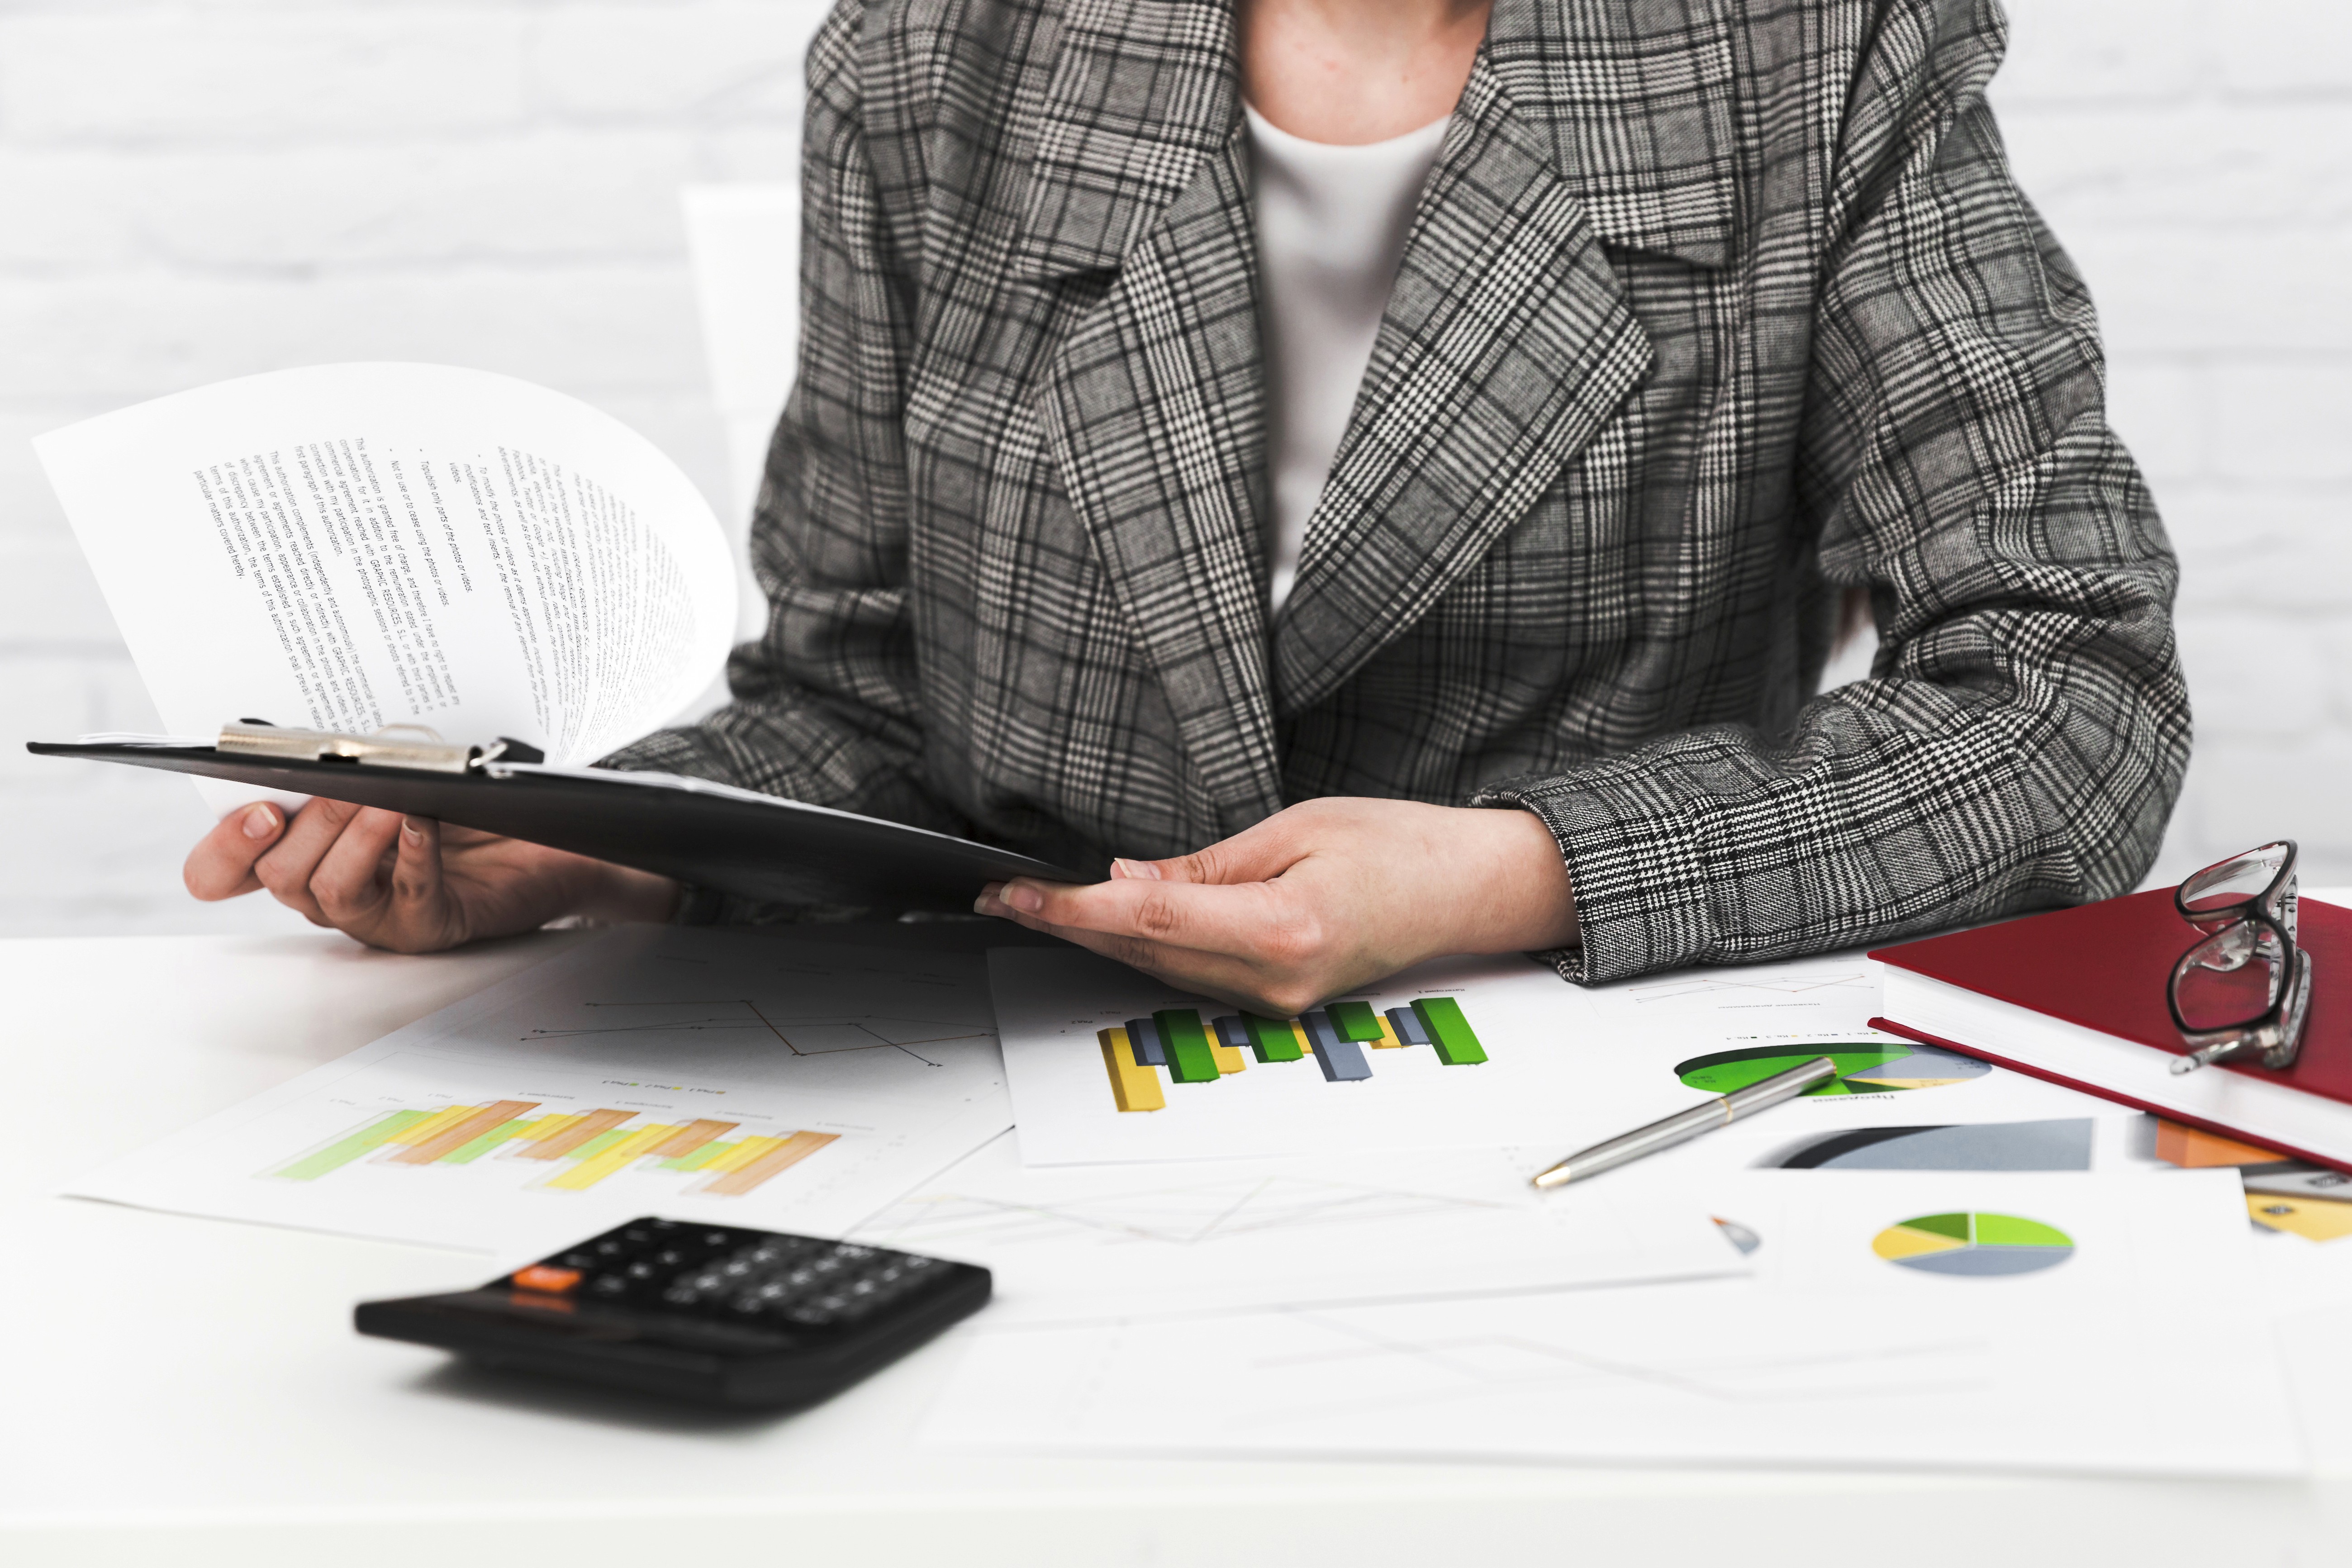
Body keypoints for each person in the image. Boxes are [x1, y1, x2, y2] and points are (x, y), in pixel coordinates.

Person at [184, 0, 2189, 1017]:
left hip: (1567, 1071)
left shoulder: (1817, 49)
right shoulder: (934, 59)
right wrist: (589, 853)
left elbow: (2068, 689)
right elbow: (862, 712)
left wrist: (1513, 876)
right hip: (1004, 1104)